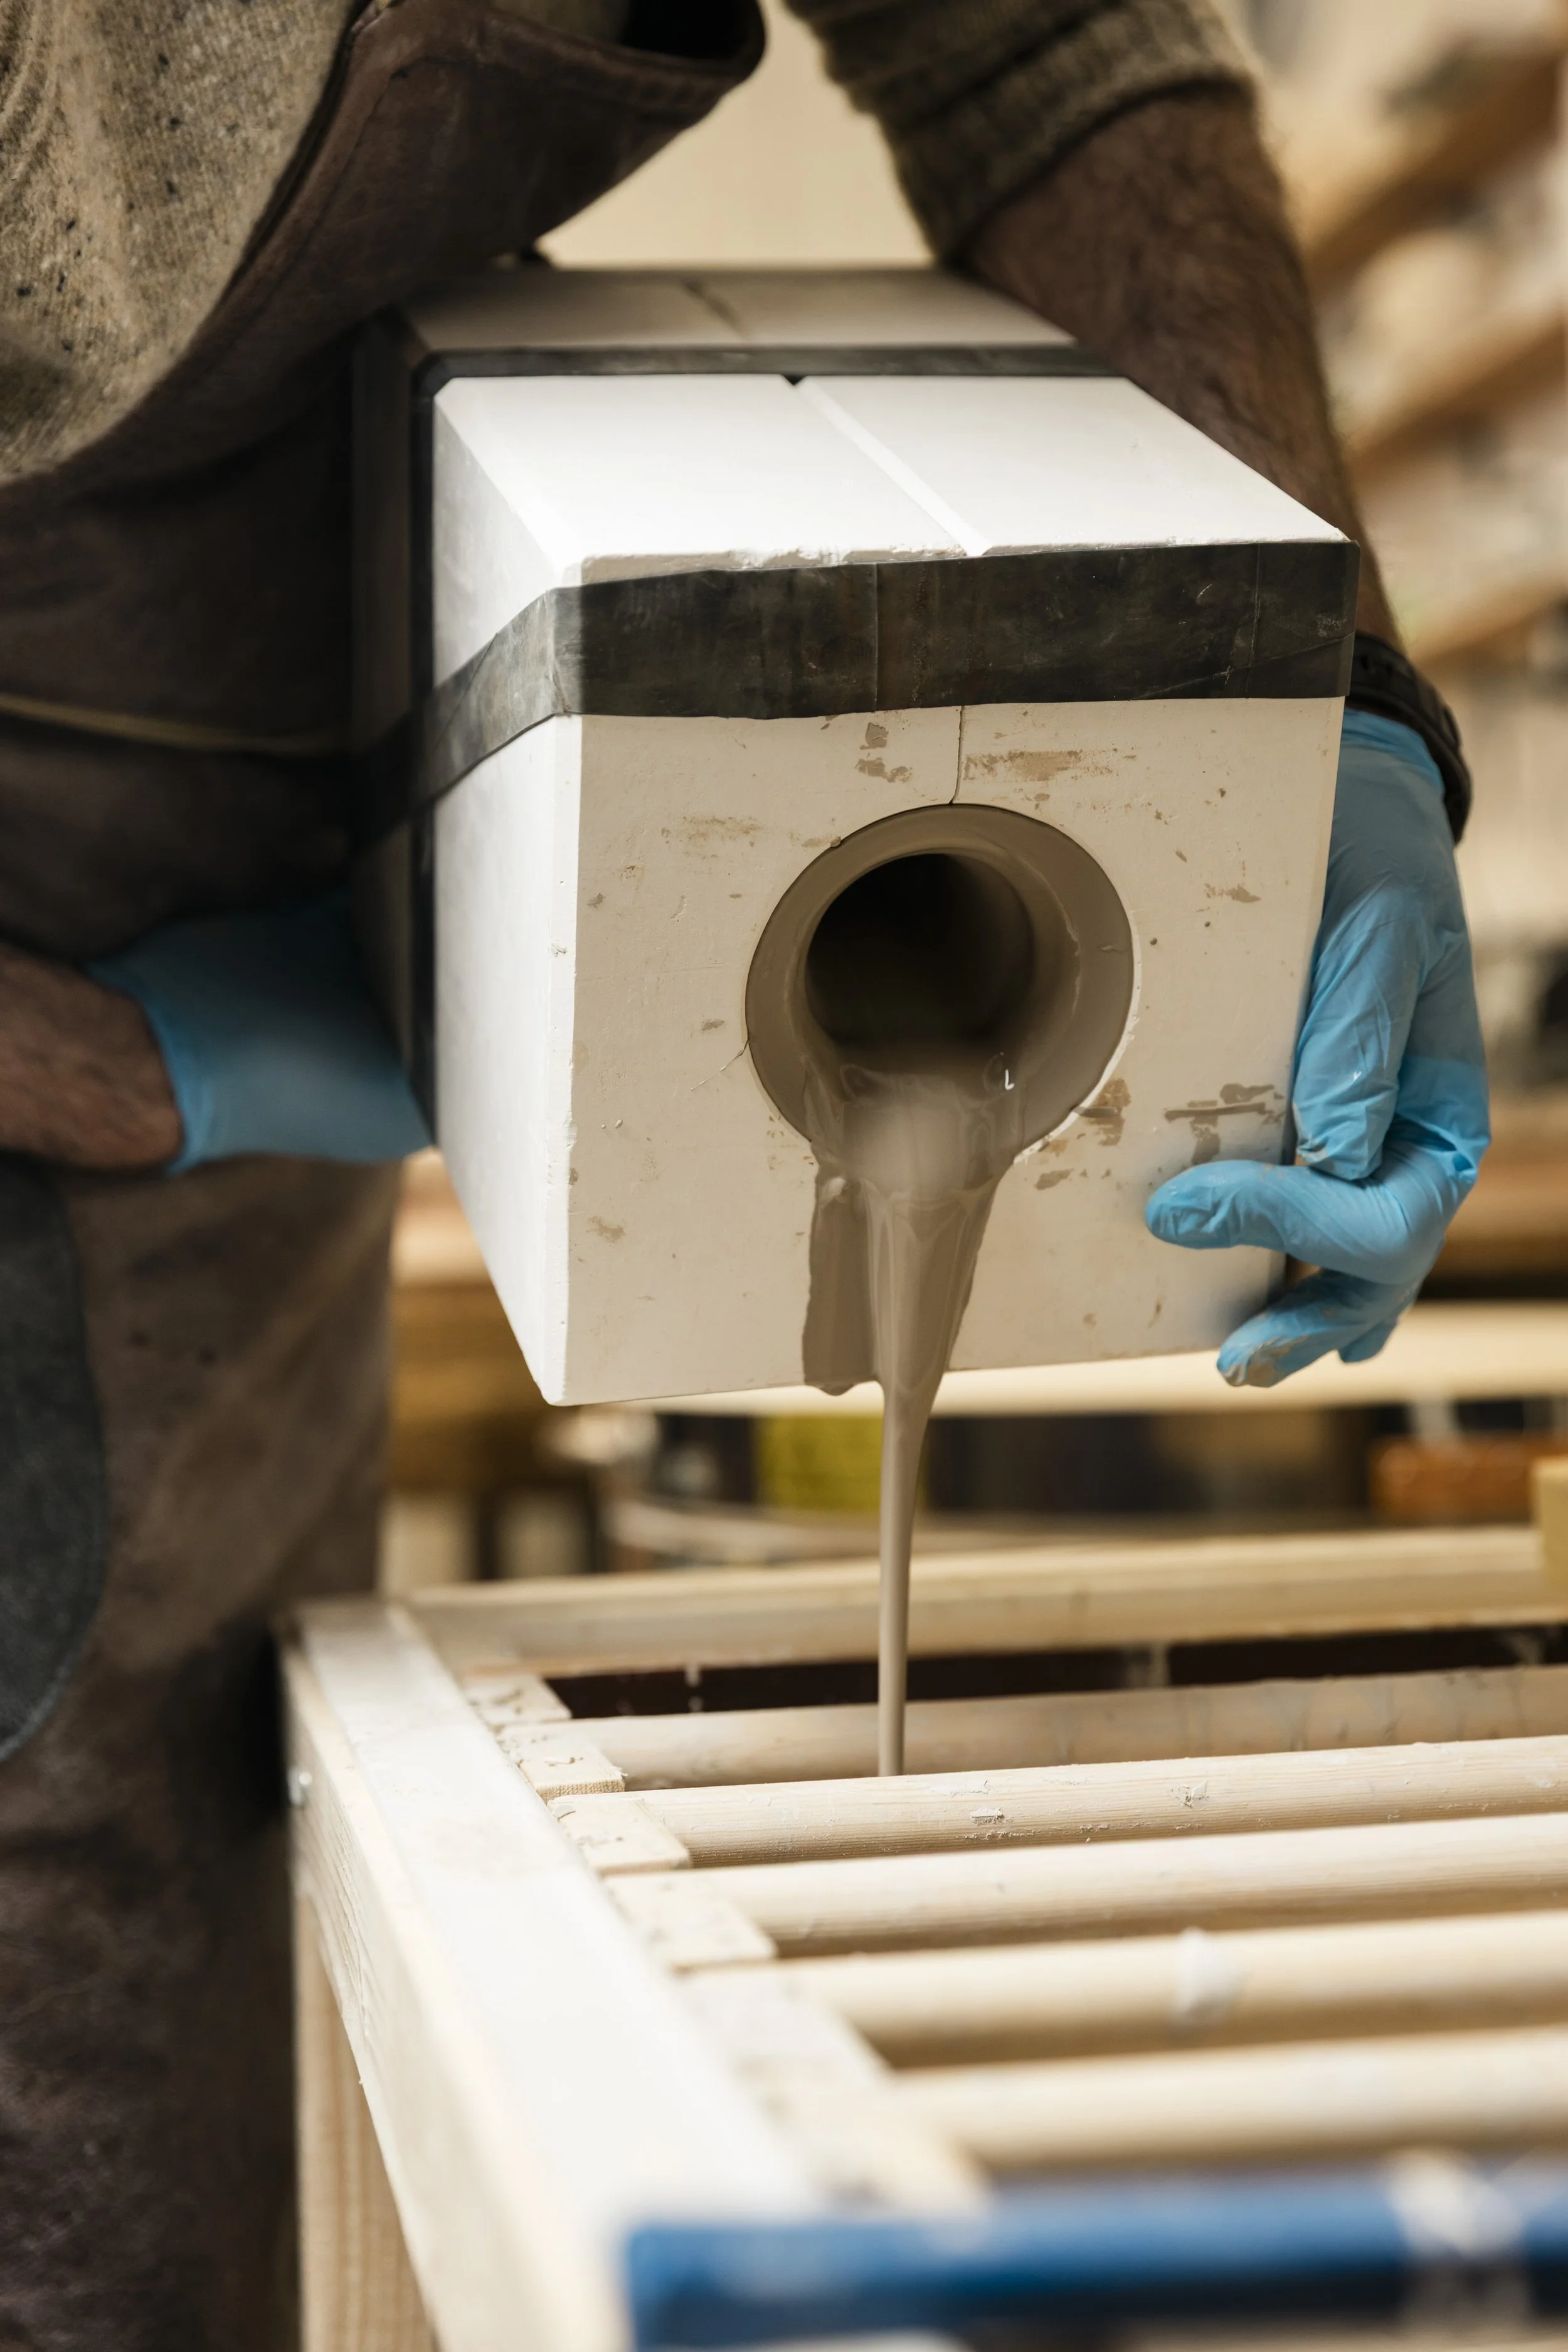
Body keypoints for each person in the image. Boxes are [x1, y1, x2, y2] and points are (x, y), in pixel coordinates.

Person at [0, 1, 1486, 2343]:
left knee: (197, 1891)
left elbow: (1053, 42)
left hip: (347, 730)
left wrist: (1331, 691)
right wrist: (104, 1065)